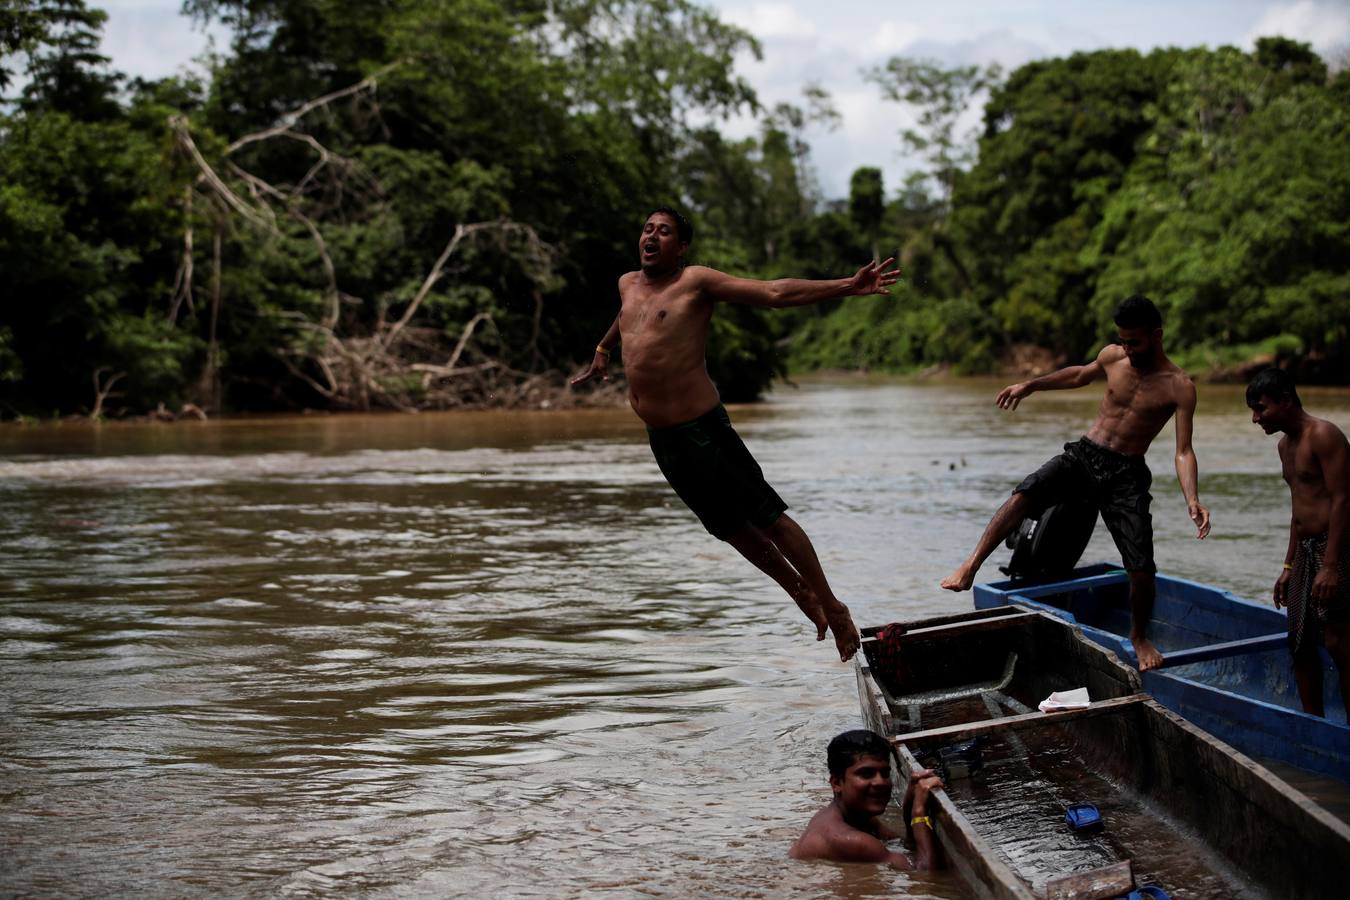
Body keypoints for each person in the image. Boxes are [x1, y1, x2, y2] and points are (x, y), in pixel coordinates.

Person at [571, 207, 900, 661]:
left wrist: (847, 285)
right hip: (664, 441)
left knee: (769, 519)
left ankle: (832, 605)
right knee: (728, 528)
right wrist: (604, 347)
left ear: (681, 248)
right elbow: (630, 314)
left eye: (664, 232)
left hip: (704, 430)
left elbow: (774, 292)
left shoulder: (696, 282)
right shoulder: (627, 283)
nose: (652, 236)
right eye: (647, 229)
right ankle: (800, 592)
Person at [940, 295, 1211, 671]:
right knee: (1025, 494)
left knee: (1141, 567)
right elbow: (1080, 375)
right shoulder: (1113, 356)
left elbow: (1183, 451)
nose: (1128, 349)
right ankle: (970, 566)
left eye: (1135, 342)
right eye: (1123, 341)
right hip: (1085, 455)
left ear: (1157, 336)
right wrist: (1031, 385)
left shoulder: (1179, 386)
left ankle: (1139, 636)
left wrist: (1192, 498)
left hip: (1126, 474)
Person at [1248, 368, 1350, 717]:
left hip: (1336, 547)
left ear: (1286, 401)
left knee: (1339, 641)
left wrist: (1331, 566)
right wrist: (1288, 565)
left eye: (1261, 408)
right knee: (1299, 641)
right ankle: (1312, 727)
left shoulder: (1323, 435)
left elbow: (1343, 500)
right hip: (1305, 551)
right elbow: (1299, 509)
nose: (1256, 418)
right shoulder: (1284, 446)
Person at [788, 729, 943, 869]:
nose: (880, 782)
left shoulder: (855, 817)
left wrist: (909, 802)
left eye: (885, 773)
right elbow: (924, 876)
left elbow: (904, 844)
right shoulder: (851, 840)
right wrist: (919, 813)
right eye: (866, 774)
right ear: (836, 783)